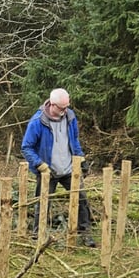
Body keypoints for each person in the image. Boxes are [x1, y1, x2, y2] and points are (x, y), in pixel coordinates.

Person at [21, 88, 96, 247]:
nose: (64, 111)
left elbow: (74, 140)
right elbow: (26, 147)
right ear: (52, 104)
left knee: (81, 200)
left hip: (69, 169)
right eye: (62, 108)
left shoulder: (70, 116)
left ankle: (85, 233)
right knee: (43, 203)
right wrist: (39, 164)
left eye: (66, 107)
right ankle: (38, 235)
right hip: (48, 170)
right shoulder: (38, 121)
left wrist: (81, 159)